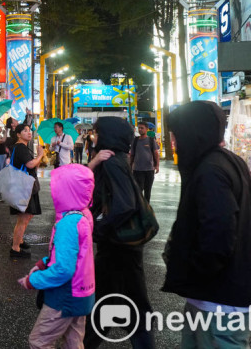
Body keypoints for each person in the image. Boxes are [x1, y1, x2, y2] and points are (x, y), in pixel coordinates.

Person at [163, 101, 251, 347]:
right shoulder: (227, 161)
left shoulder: (210, 170)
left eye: (177, 134)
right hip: (210, 298)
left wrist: (194, 269)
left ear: (193, 132)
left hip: (220, 302)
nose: (174, 141)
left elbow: (218, 234)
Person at [84, 117, 154, 348]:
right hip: (121, 246)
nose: (94, 137)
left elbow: (125, 204)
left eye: (97, 133)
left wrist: (98, 229)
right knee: (118, 303)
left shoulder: (112, 162)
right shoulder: (116, 159)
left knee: (123, 304)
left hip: (118, 247)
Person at [18, 164, 96, 348]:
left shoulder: (68, 224)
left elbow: (63, 270)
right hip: (82, 291)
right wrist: (45, 262)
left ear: (66, 191)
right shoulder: (83, 214)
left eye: (57, 187)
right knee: (73, 342)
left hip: (65, 295)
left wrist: (34, 280)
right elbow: (77, 254)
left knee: (39, 342)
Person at [10, 123, 44, 259]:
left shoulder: (22, 147)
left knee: (27, 216)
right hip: (24, 187)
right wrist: (40, 155)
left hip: (23, 185)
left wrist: (37, 158)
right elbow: (30, 164)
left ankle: (20, 241)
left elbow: (30, 165)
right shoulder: (21, 148)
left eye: (29, 131)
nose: (28, 133)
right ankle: (15, 249)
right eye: (25, 131)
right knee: (23, 218)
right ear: (18, 134)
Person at [129, 121, 160, 203]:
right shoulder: (135, 141)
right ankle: (140, 207)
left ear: (146, 129)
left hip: (149, 169)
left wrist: (157, 166)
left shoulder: (151, 140)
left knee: (148, 191)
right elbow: (132, 155)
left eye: (142, 128)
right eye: (139, 128)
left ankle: (146, 208)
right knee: (139, 190)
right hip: (137, 170)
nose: (140, 129)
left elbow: (156, 153)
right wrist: (129, 166)